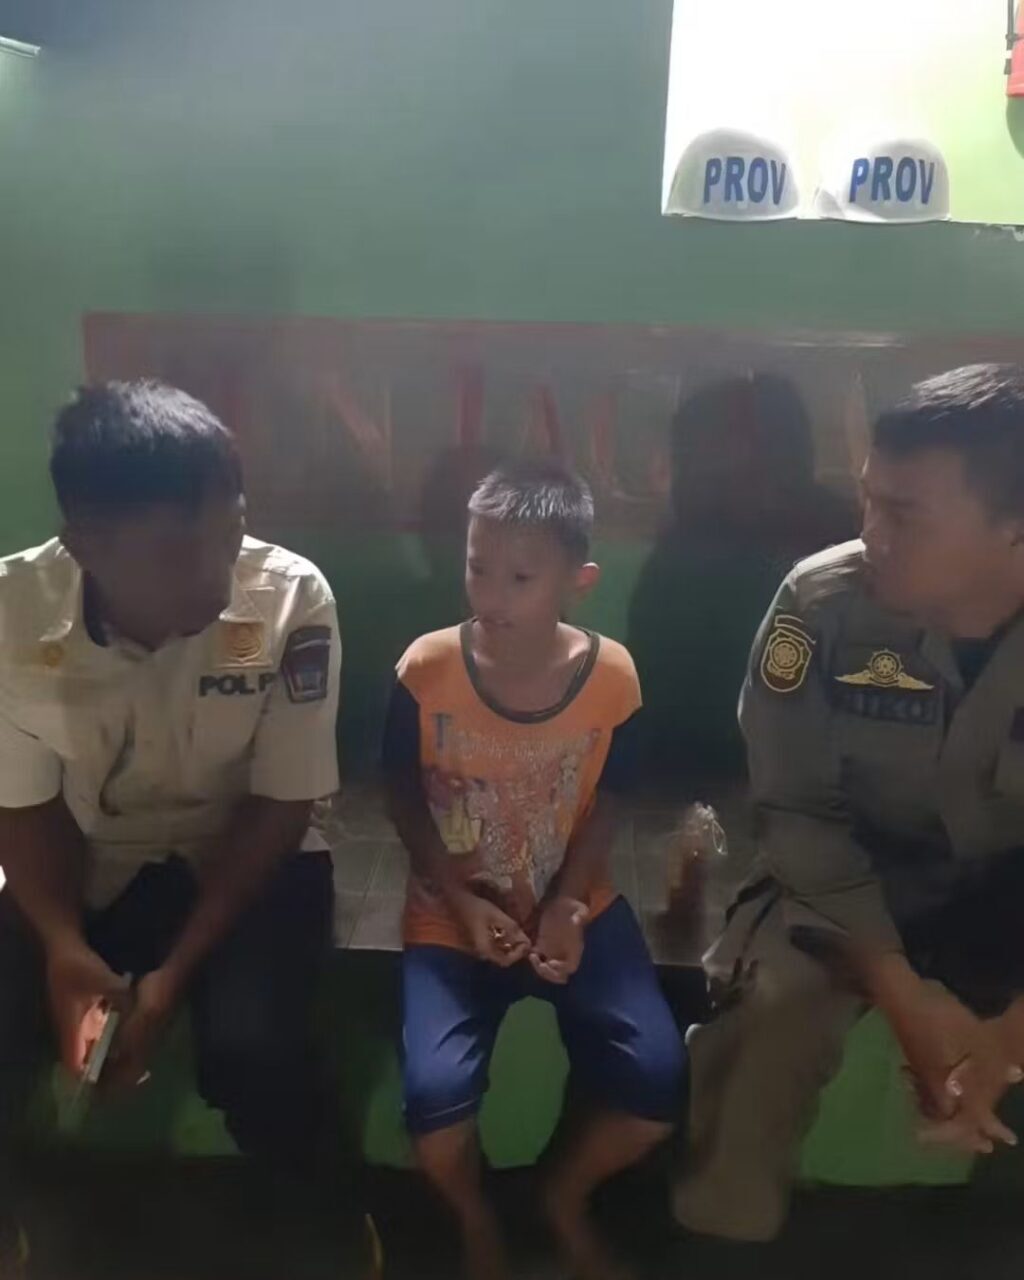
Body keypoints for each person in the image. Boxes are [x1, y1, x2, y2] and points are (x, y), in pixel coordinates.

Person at [674, 364, 1024, 1245]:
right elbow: (797, 814)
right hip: (841, 889)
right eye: (870, 499)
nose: (869, 533)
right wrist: (904, 996)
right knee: (767, 1025)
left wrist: (1008, 1035)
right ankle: (719, 1237)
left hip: (1006, 891)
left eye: (904, 515)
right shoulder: (818, 606)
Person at [0, 381, 343, 1272]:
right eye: (180, 554)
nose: (219, 579)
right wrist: (63, 948)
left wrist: (173, 975)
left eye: (231, 535)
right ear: (86, 544)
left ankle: (323, 1219)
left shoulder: (290, 597)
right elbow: (23, 805)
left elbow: (282, 802)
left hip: (249, 855)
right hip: (87, 853)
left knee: (254, 1045)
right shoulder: (12, 610)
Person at [383, 459, 684, 1280]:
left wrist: (571, 905)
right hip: (452, 914)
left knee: (655, 1085)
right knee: (432, 1107)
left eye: (520, 578)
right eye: (478, 567)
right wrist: (459, 899)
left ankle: (563, 1200)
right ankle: (475, 1220)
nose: (492, 594)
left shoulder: (612, 678)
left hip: (572, 902)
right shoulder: (426, 670)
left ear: (578, 582)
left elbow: (612, 796)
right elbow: (400, 792)